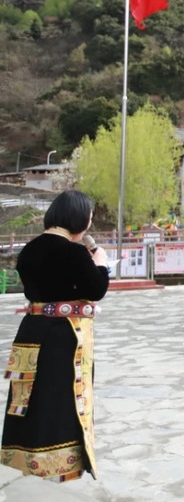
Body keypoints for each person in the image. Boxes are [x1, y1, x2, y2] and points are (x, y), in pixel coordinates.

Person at [2, 191, 109, 481]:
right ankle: (57, 464)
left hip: (31, 331)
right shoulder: (73, 252)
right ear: (78, 218)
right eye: (89, 217)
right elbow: (96, 289)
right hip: (62, 337)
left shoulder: (29, 250)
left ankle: (23, 459)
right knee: (58, 399)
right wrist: (100, 263)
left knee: (29, 397)